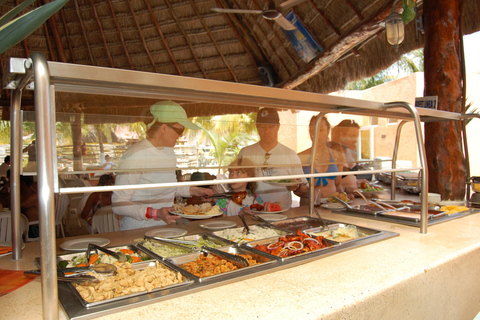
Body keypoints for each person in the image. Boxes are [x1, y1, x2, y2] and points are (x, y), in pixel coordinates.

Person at [112, 100, 214, 230]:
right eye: (180, 129)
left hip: (167, 228)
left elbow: (165, 188)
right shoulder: (136, 155)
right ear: (163, 128)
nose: (182, 134)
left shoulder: (168, 152)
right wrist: (155, 213)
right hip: (138, 229)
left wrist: (194, 190)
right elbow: (118, 204)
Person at [237, 108, 308, 208]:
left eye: (271, 126)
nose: (267, 131)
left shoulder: (290, 155)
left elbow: (304, 189)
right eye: (262, 126)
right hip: (251, 211)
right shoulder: (245, 153)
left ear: (278, 126)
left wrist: (296, 187)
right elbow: (234, 184)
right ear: (257, 126)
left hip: (282, 213)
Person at [298, 114, 343, 202]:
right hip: (308, 205)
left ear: (328, 131)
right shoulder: (301, 157)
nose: (316, 134)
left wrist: (344, 195)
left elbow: (338, 185)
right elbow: (296, 189)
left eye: (321, 130)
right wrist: (299, 189)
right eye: (312, 130)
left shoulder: (337, 155)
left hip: (331, 205)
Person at [329, 119, 362, 192]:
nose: (355, 140)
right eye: (352, 136)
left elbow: (349, 178)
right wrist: (347, 190)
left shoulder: (352, 153)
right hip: (338, 199)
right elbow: (330, 184)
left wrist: (359, 183)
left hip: (351, 198)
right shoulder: (331, 153)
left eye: (356, 136)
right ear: (341, 135)